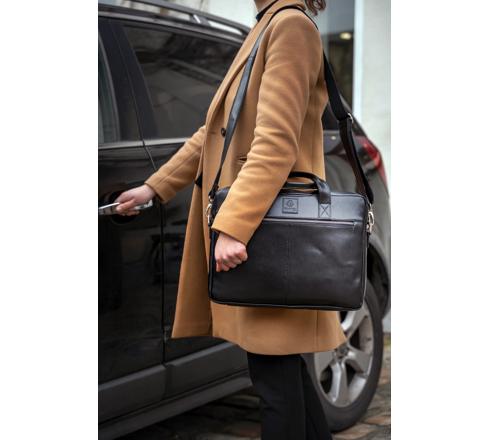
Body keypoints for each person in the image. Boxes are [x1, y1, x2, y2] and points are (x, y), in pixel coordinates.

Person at [114, 0, 347, 438]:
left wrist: (233, 227)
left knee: (275, 378)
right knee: (281, 370)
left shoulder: (290, 27)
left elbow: (275, 144)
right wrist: (155, 187)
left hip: (269, 232)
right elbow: (216, 131)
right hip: (265, 228)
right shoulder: (268, 25)